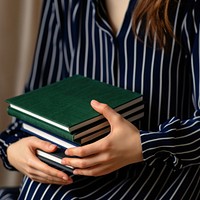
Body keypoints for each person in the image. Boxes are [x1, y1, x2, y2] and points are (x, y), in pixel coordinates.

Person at [0, 0, 200, 199]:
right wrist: (12, 149)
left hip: (167, 175)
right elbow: (37, 101)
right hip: (76, 175)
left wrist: (142, 145)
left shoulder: (188, 7)